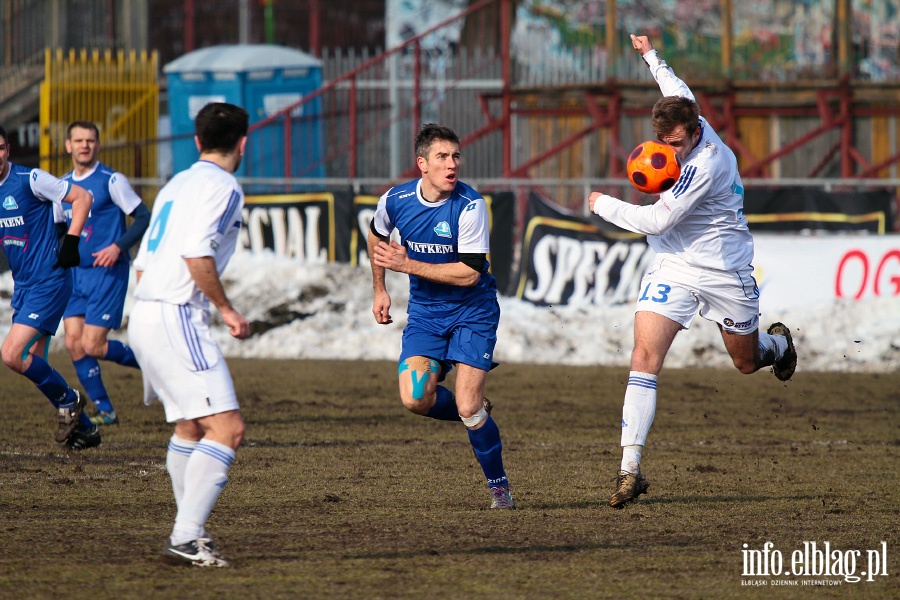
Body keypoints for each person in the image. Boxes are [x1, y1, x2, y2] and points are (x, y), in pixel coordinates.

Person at [588, 35, 798, 509]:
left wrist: (604, 205)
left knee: (745, 363)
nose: (669, 150)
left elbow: (658, 219)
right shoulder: (685, 114)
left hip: (725, 271)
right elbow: (672, 84)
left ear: (695, 128)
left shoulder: (709, 164)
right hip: (674, 266)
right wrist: (649, 55)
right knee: (644, 356)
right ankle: (630, 469)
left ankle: (779, 345)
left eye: (677, 141)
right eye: (664, 141)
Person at [368, 123, 514, 509]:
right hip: (427, 315)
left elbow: (468, 274)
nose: (452, 165)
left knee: (467, 406)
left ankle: (499, 486)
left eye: (456, 156)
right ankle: (479, 413)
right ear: (422, 164)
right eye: (442, 157)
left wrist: (407, 264)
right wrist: (380, 288)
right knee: (415, 398)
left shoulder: (469, 205)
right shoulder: (396, 200)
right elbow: (377, 236)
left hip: (473, 312)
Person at [129, 102, 250, 567]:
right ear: (243, 142)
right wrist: (226, 309)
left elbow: (143, 265)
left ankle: (189, 533)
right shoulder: (224, 186)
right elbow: (197, 256)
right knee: (228, 429)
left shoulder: (176, 183)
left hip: (147, 311)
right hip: (177, 316)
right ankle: (185, 535)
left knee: (191, 426)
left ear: (197, 142)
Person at [0, 125, 100, 449]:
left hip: (50, 279)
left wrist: (70, 241)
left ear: (8, 150)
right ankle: (86, 429)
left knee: (12, 354)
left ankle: (70, 400)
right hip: (26, 285)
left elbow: (83, 197)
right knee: (34, 362)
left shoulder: (30, 179)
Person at [60, 121, 150, 426]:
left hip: (106, 273)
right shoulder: (62, 186)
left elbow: (143, 217)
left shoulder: (111, 180)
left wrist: (118, 247)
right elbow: (60, 228)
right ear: (68, 146)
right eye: (79, 140)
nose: (85, 145)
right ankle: (106, 411)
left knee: (93, 345)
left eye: (91, 140)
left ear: (98, 145)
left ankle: (155, 365)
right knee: (74, 342)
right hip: (75, 276)